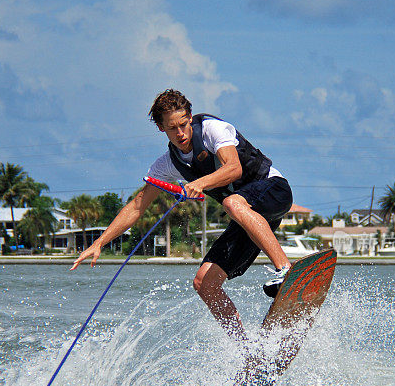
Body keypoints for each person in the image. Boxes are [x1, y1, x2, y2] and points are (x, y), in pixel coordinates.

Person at [71, 89, 293, 341]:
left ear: (190, 117)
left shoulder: (212, 130)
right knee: (203, 283)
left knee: (232, 203)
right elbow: (136, 207)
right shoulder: (166, 164)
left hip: (274, 191)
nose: (180, 133)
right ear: (160, 128)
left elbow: (233, 168)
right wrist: (100, 242)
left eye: (184, 124)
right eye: (172, 128)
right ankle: (246, 349)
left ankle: (285, 270)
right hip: (248, 218)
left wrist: (202, 183)